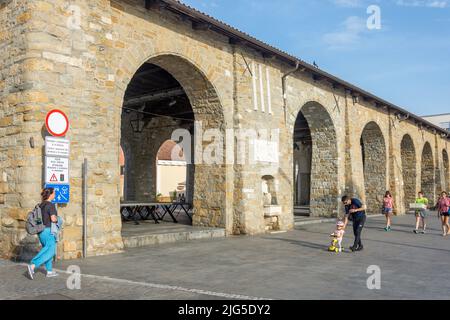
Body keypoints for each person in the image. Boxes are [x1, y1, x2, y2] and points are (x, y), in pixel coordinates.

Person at [27, 188, 59, 279]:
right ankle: (33, 265)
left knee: (46, 250)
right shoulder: (51, 205)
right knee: (51, 251)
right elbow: (53, 219)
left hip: (41, 232)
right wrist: (58, 219)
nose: (55, 195)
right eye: (54, 193)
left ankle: (49, 271)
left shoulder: (40, 205)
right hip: (48, 231)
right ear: (51, 194)